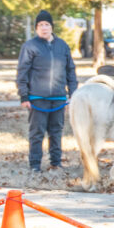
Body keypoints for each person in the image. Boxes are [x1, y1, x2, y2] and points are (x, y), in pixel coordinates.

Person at [16, 10, 78, 173]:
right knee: (37, 133)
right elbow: (22, 72)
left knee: (56, 132)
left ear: (52, 27)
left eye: (47, 24)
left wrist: (73, 94)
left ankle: (56, 163)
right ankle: (35, 165)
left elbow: (70, 70)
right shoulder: (30, 46)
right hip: (37, 98)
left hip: (58, 97)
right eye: (40, 25)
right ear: (36, 28)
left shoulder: (62, 45)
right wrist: (24, 95)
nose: (44, 28)